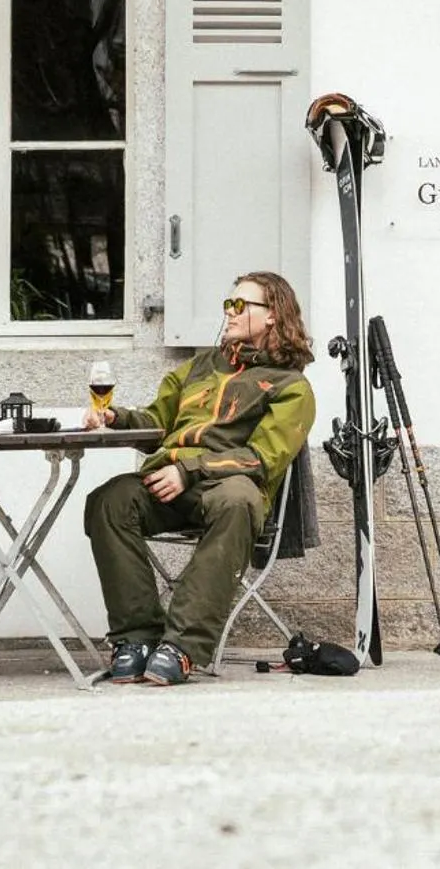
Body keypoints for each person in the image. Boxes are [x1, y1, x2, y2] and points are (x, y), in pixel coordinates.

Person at [82, 271, 316, 685]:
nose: (229, 312)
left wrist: (189, 470)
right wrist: (116, 418)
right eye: (228, 304)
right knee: (110, 500)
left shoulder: (291, 387)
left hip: (226, 486)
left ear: (272, 317)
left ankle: (182, 646)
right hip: (170, 480)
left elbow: (261, 459)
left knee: (238, 501)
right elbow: (158, 420)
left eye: (240, 305)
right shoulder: (198, 367)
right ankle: (136, 637)